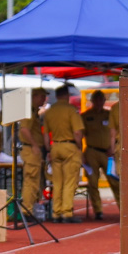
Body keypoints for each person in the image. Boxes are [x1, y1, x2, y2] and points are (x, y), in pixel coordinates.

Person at [43, 85, 84, 223]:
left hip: (55, 146)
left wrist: (49, 149)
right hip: (69, 146)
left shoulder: (49, 112)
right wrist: (79, 146)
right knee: (69, 181)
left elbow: (45, 134)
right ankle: (67, 212)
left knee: (57, 182)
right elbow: (77, 132)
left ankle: (56, 212)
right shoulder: (71, 110)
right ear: (66, 95)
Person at [81, 90, 119, 220]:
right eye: (96, 100)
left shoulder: (109, 115)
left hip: (108, 152)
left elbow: (116, 132)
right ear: (92, 101)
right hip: (92, 151)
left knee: (115, 181)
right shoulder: (86, 116)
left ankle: (123, 209)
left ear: (103, 101)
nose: (99, 102)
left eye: (101, 99)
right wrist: (82, 155)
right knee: (93, 182)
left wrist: (113, 148)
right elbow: (80, 135)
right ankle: (98, 210)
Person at [18, 87, 49, 215]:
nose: (44, 99)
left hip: (32, 149)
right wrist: (35, 145)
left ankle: (30, 208)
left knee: (35, 181)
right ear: (34, 96)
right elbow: (24, 129)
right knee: (31, 181)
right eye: (41, 96)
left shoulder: (35, 111)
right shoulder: (29, 111)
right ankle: (27, 210)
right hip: (30, 150)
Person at [108, 100, 121, 209]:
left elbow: (112, 134)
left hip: (120, 146)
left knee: (122, 179)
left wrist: (112, 151)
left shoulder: (116, 108)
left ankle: (126, 210)